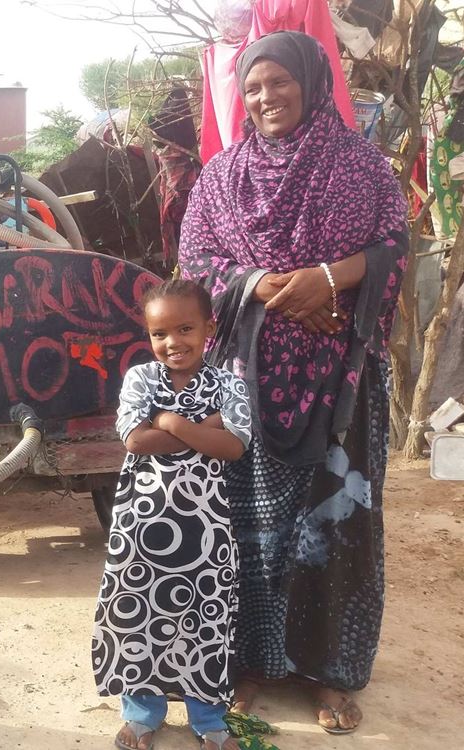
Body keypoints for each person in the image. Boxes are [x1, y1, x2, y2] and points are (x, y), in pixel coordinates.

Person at [179, 31, 408, 734]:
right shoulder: (221, 176)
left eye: (279, 82)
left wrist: (330, 280)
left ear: (311, 83)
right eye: (252, 87)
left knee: (331, 524)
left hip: (339, 383)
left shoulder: (363, 168)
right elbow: (192, 262)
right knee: (248, 528)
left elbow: (393, 248)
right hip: (245, 386)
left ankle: (330, 673)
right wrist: (257, 284)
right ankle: (250, 664)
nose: (266, 97)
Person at [92, 279, 251, 750]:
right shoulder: (140, 378)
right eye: (160, 333)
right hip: (140, 525)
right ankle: (141, 716)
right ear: (148, 335)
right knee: (137, 615)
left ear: (209, 329)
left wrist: (169, 421)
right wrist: (202, 429)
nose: (172, 342)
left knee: (206, 618)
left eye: (185, 329)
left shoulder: (230, 384)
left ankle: (209, 721)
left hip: (206, 528)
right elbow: (134, 441)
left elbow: (234, 447)